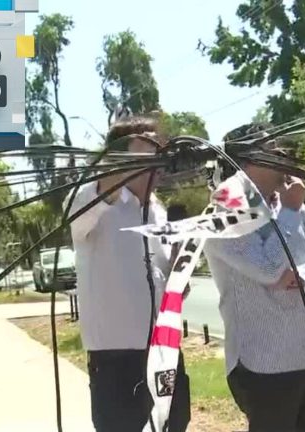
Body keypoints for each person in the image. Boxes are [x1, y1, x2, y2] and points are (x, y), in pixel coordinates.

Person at [203, 122, 305, 432]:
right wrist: (291, 212)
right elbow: (269, 271)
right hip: (265, 366)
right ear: (251, 158)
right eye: (276, 150)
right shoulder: (225, 207)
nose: (287, 157)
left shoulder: (286, 199)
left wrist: (303, 275)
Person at [66, 115, 190, 432]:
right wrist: (117, 169)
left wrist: (180, 272)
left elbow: (167, 285)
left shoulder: (159, 211)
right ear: (119, 160)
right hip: (116, 361)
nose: (156, 163)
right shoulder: (91, 199)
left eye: (157, 154)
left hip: (165, 353)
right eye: (145, 153)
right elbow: (76, 214)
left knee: (174, 425)